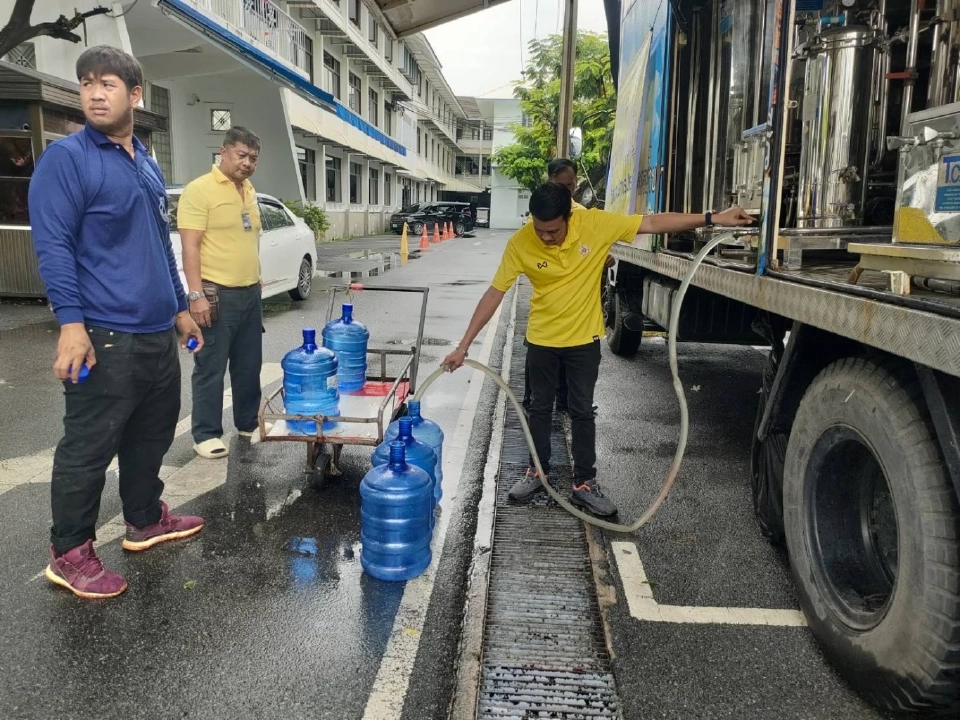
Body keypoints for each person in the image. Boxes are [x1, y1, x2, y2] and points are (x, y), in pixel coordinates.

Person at [442, 183, 753, 517]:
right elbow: (494, 293)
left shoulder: (595, 225)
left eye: (553, 231)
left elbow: (653, 223)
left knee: (581, 411)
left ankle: (584, 484)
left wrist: (713, 217)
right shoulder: (521, 242)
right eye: (539, 229)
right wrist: (463, 346)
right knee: (539, 409)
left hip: (583, 341)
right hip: (541, 341)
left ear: (569, 218)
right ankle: (538, 471)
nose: (545, 237)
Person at [29, 46, 206, 599]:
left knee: (151, 433)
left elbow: (160, 244)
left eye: (107, 84)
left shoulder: (145, 161)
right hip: (103, 332)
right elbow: (53, 245)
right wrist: (71, 324)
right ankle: (71, 553)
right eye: (86, 84)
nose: (94, 93)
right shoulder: (68, 160)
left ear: (135, 96)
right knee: (88, 444)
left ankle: (144, 519)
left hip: (155, 332)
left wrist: (181, 310)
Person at [177, 127, 265, 459]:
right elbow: (190, 248)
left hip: (249, 293)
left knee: (248, 365)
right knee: (211, 366)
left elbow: (249, 239)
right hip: (216, 295)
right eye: (241, 155)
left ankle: (247, 423)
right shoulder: (200, 190)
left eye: (253, 158)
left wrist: (257, 278)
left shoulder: (250, 191)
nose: (247, 163)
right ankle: (206, 434)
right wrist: (195, 294)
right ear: (223, 152)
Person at [521, 158, 585, 415]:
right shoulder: (538, 217)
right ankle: (532, 400)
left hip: (576, 303)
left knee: (571, 354)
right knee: (539, 353)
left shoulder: (582, 214)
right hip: (547, 303)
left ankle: (567, 401)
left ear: (576, 183)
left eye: (569, 185)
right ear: (550, 182)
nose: (566, 190)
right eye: (560, 185)